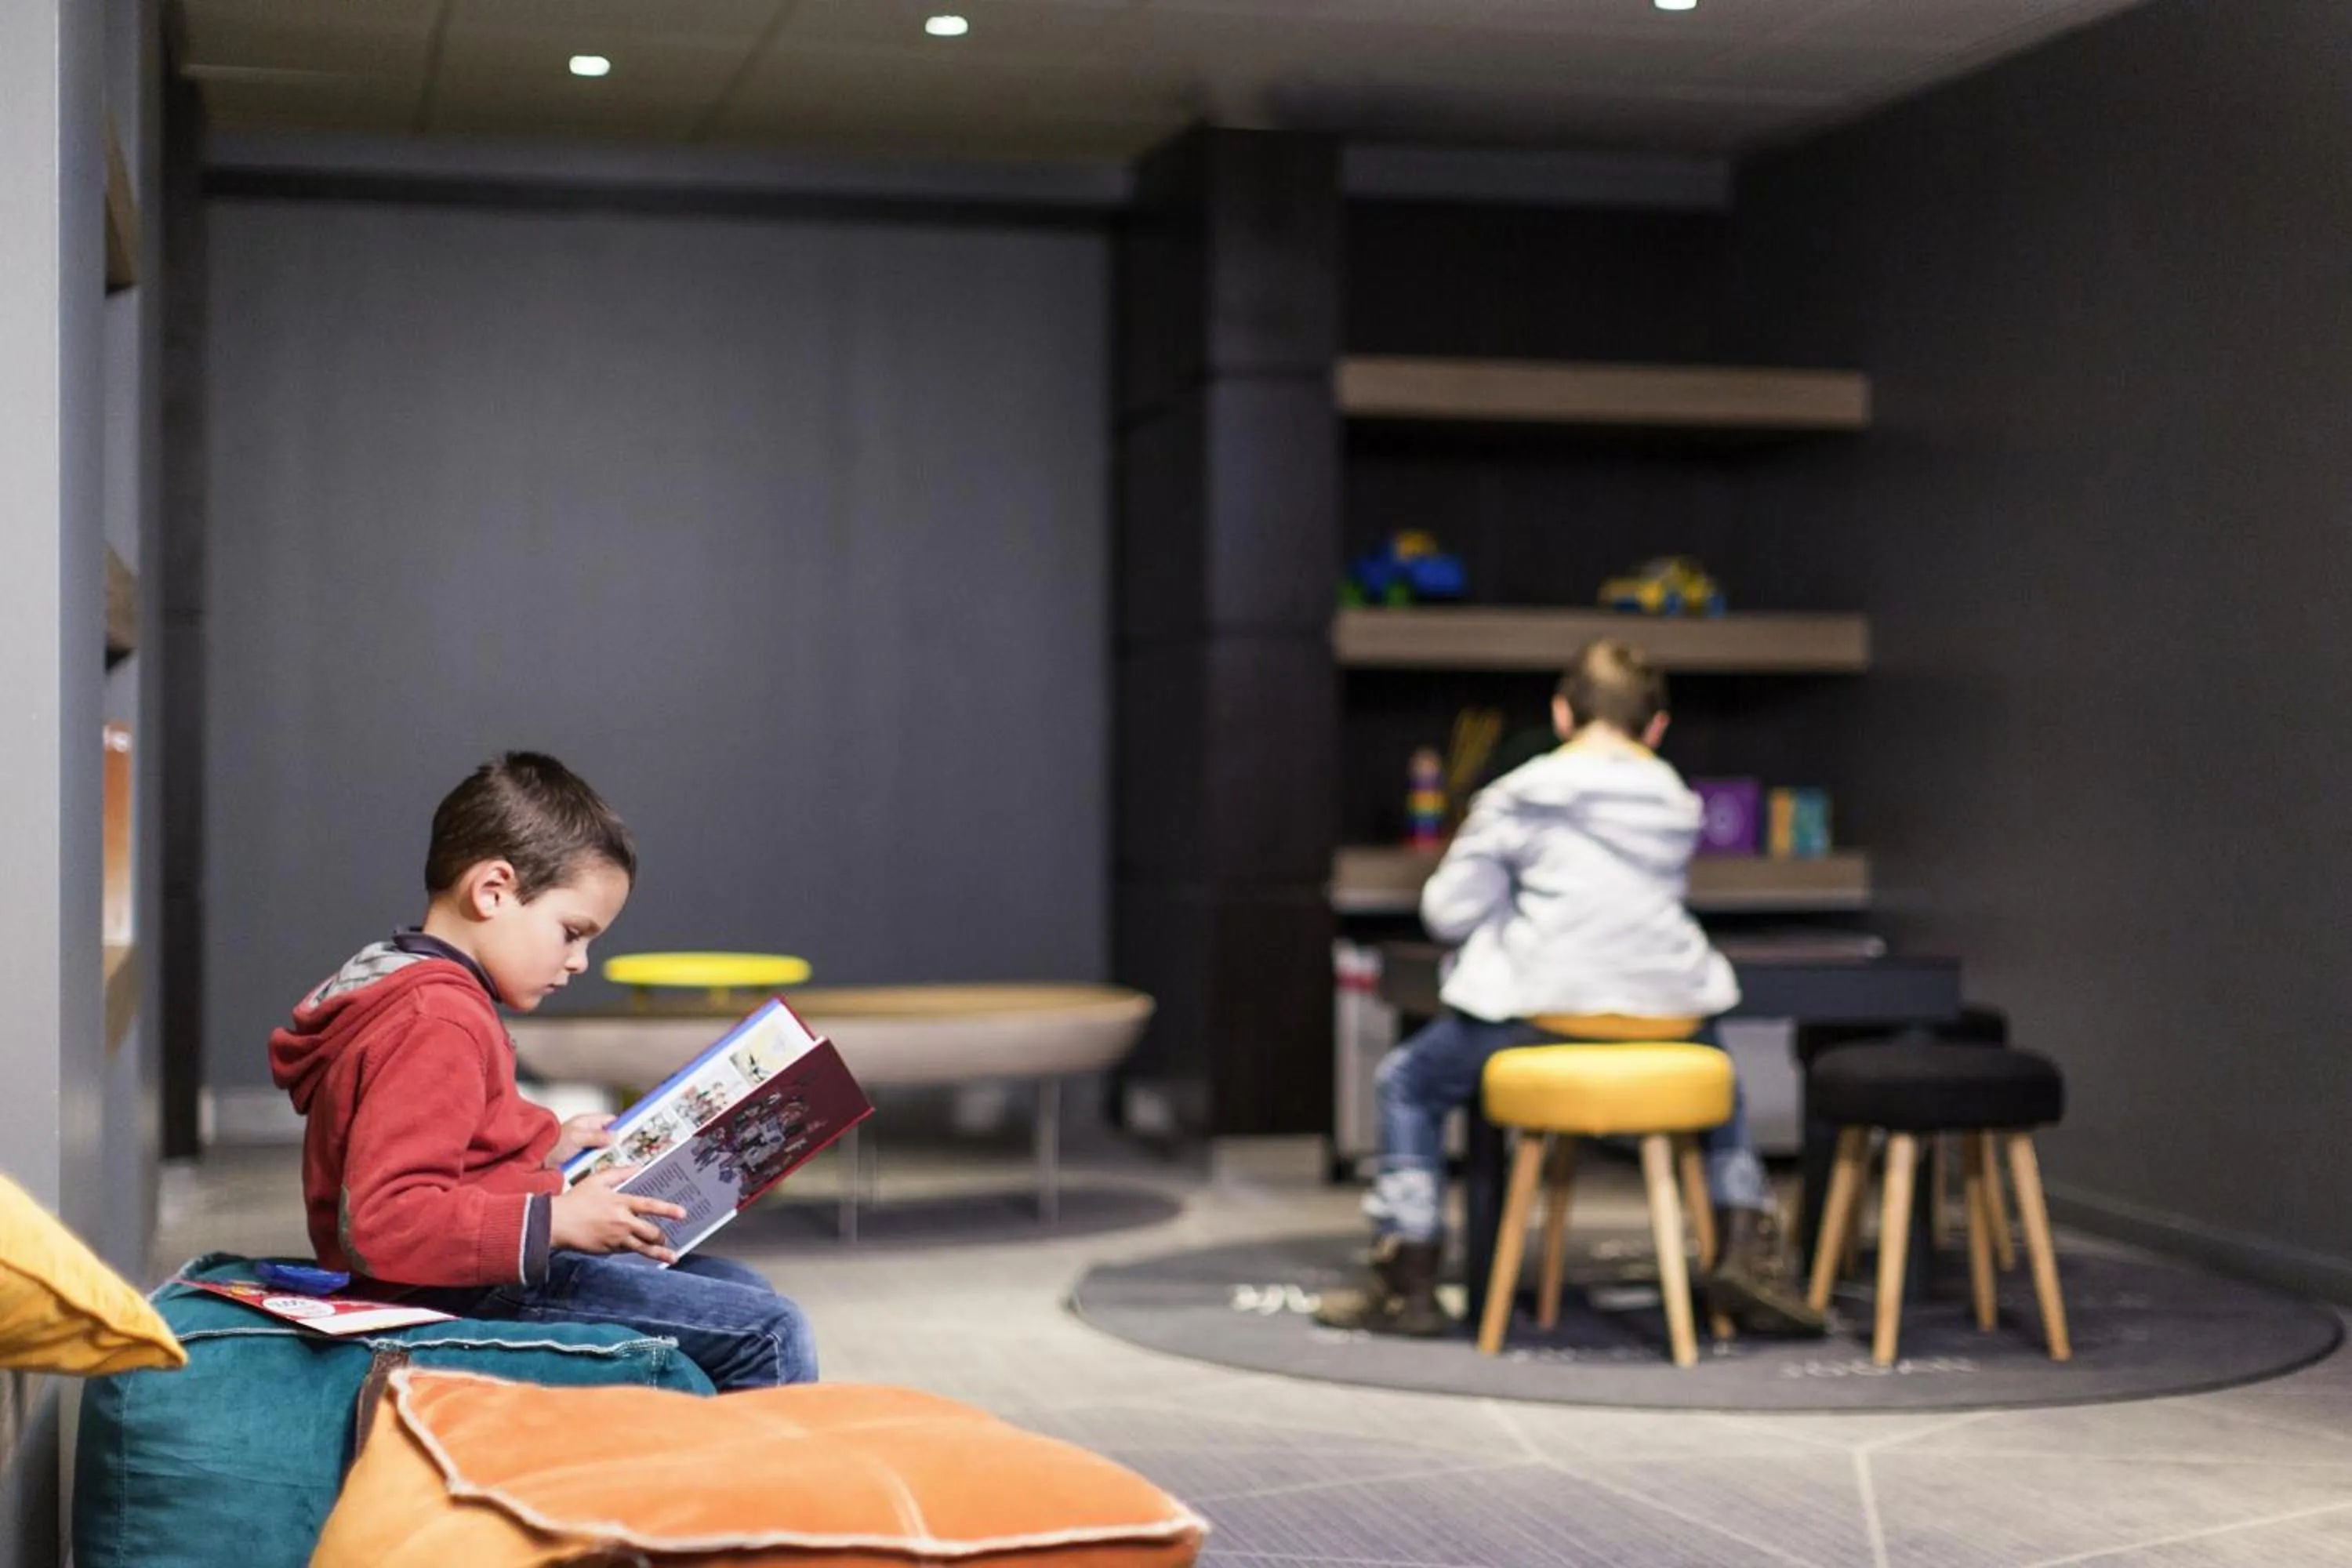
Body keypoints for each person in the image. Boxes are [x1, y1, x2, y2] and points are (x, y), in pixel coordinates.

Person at [1316, 640, 1826, 1339]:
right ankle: (1746, 1248)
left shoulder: (1522, 796)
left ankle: (1408, 1278)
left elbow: (1447, 912)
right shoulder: (1676, 803)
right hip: (1662, 1011)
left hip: (1547, 1005)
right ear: (1657, 727)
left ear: (1562, 714)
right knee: (1719, 1074)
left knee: (1406, 1083)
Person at [268, 751, 819, 1390]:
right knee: (771, 1331)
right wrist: (559, 1219)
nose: (579, 961)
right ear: (493, 891)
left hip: (473, 1269)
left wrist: (544, 1144)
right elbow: (388, 1223)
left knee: (741, 1286)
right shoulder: (437, 1019)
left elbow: (446, 1140)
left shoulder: (409, 981)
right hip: (456, 1288)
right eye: (572, 932)